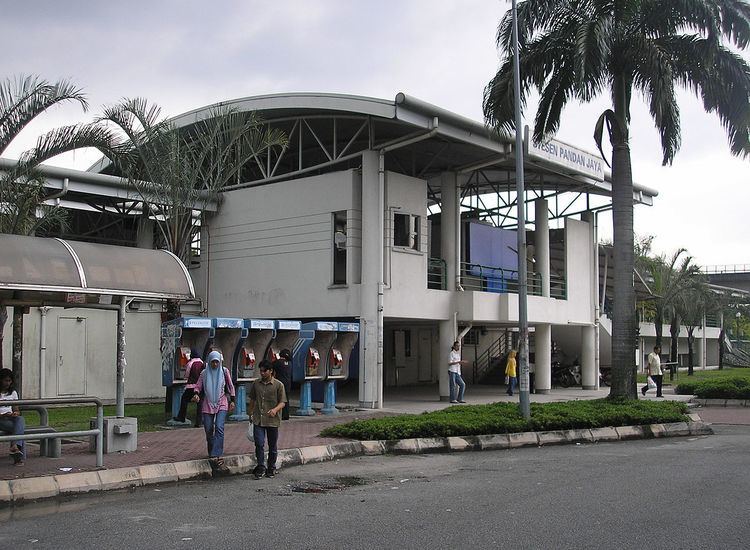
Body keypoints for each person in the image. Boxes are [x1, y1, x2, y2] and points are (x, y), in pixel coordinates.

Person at [192, 350, 235, 469]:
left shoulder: (224, 371)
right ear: (209, 362)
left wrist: (232, 400)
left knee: (219, 427)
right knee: (208, 428)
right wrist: (196, 394)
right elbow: (198, 386)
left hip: (222, 402)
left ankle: (218, 453)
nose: (215, 364)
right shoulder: (204, 373)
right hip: (208, 403)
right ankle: (212, 450)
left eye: (217, 362)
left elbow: (230, 386)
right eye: (213, 362)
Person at [248, 360, 286, 479]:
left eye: (265, 371)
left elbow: (283, 402)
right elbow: (252, 399)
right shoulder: (256, 384)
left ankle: (271, 467)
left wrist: (275, 410)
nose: (262, 373)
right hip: (258, 419)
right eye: (261, 371)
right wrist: (250, 413)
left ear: (271, 371)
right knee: (259, 443)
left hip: (272, 420)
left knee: (272, 445)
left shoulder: (278, 385)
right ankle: (260, 466)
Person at [0, 368, 25, 465]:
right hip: (1, 419)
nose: (7, 383)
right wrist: (3, 415)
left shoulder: (13, 393)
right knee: (19, 429)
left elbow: (16, 409)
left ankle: (15, 446)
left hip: (10, 419)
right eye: (5, 380)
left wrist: (15, 414)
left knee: (20, 419)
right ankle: (17, 455)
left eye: (9, 381)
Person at [174, 348, 204, 426]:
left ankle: (181, 417)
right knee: (200, 404)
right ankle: (199, 422)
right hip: (200, 386)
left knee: (184, 400)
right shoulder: (201, 362)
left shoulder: (190, 363)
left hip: (191, 386)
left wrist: (185, 378)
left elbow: (187, 373)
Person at [273, 349, 292, 421]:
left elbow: (269, 367)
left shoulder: (277, 362)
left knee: (279, 399)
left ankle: (280, 414)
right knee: (286, 400)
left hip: (280, 384)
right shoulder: (290, 363)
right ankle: (286, 415)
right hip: (288, 384)